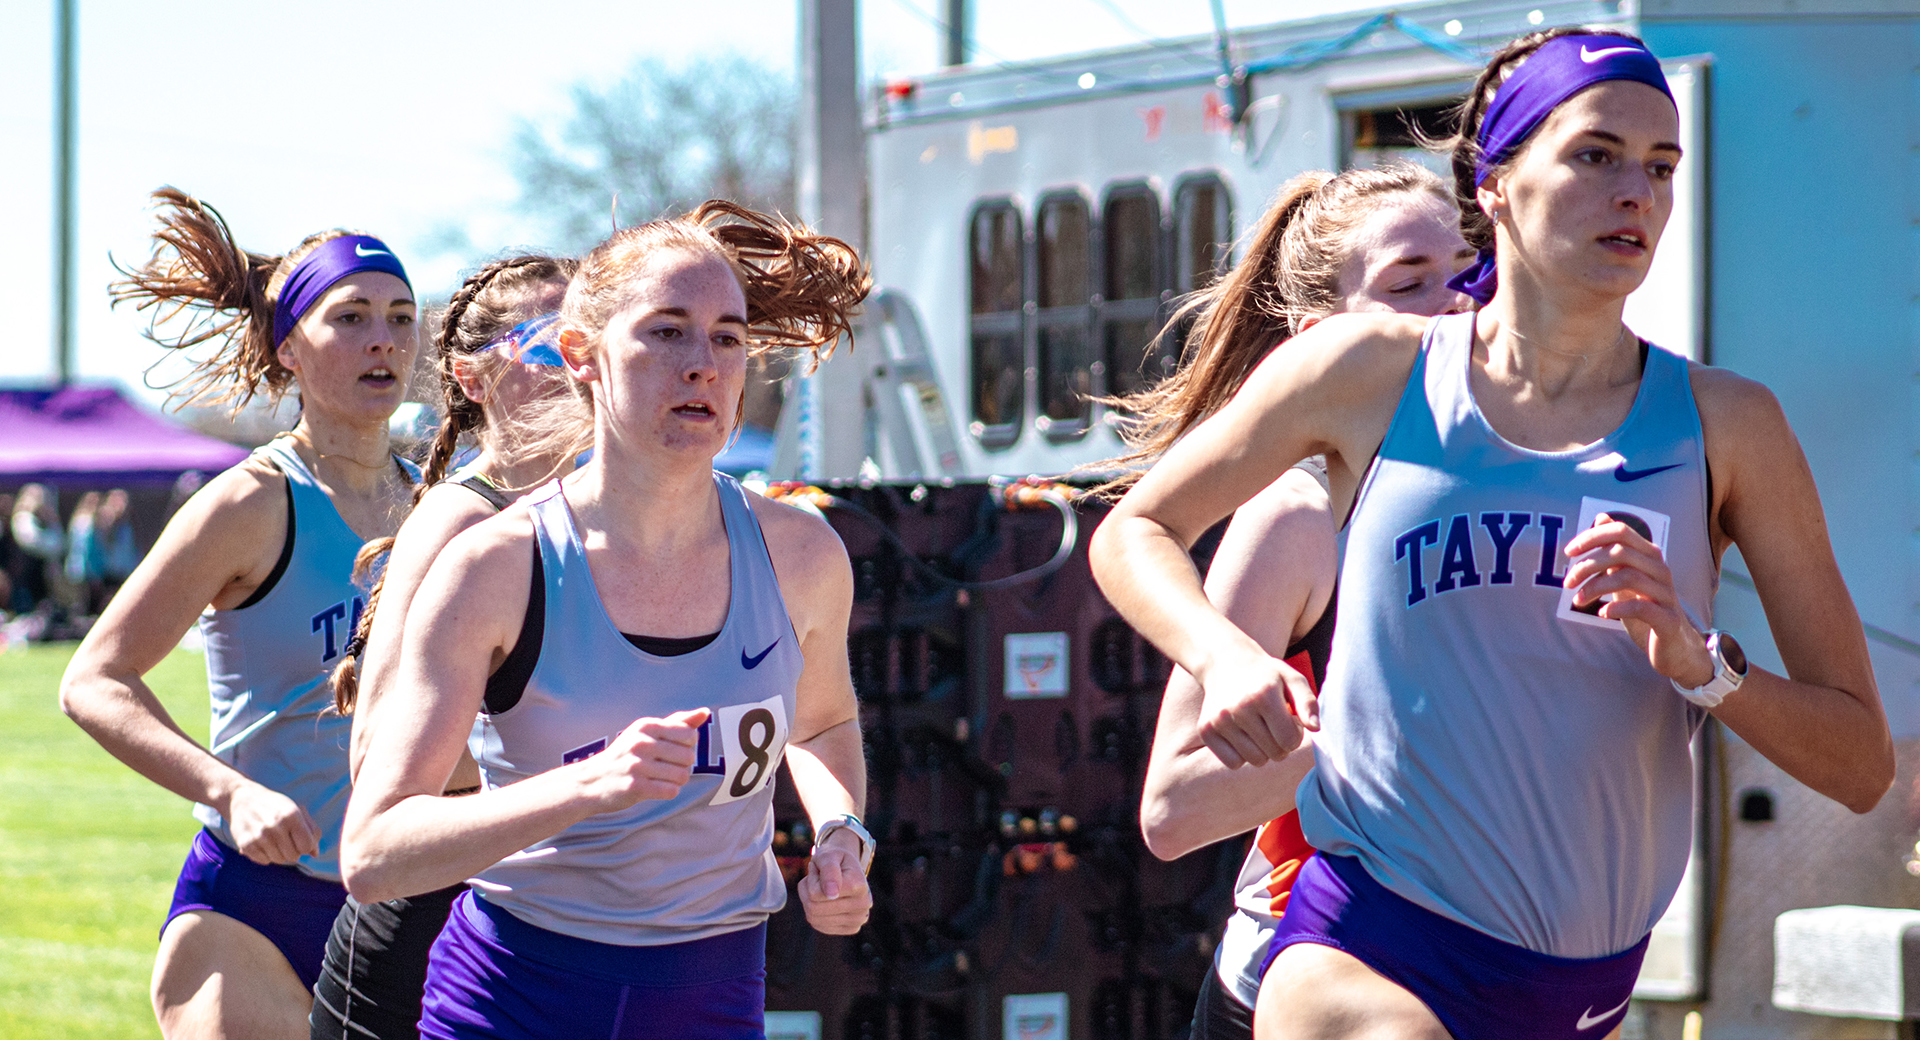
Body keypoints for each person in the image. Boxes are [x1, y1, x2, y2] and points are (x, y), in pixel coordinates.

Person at [1090, 29, 1894, 1040]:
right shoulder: (1369, 373)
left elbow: (1862, 763)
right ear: (1497, 183)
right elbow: (1138, 529)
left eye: (1660, 166)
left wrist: (1703, 664)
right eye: (1595, 155)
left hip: (1581, 998)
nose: (1635, 193)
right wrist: (1225, 656)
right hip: (1370, 948)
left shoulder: (1728, 424)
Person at [341, 201, 875, 1040]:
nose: (703, 363)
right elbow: (374, 853)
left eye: (727, 338)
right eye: (667, 332)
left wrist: (844, 830)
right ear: (582, 357)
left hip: (714, 995)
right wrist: (583, 787)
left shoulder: (803, 554)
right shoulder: (495, 565)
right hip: (516, 999)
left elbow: (824, 722)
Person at [1113, 164, 1474, 1040]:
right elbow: (1171, 809)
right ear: (1319, 339)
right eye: (1409, 283)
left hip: (1488, 965)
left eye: (1468, 271)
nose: (1453, 303)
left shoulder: (1526, 485)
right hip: (1302, 983)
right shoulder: (1297, 518)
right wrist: (1376, 734)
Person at [60, 187, 419, 1040]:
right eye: (352, 317)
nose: (384, 340)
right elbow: (95, 680)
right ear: (290, 348)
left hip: (408, 900)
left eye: (402, 317)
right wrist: (232, 791)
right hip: (257, 907)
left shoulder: (438, 501)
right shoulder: (250, 503)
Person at [310, 254, 585, 1040]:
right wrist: (574, 779)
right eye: (546, 344)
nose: (575, 363)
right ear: (472, 378)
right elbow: (374, 761)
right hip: (421, 940)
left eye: (587, 337)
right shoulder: (463, 520)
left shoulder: (593, 514)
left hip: (534, 924)